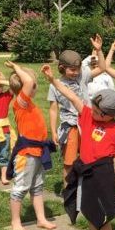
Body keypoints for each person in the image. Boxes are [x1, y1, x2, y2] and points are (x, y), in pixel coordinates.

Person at [42, 62, 115, 230]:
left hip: (103, 172)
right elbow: (71, 96)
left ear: (111, 115)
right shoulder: (88, 115)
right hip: (85, 170)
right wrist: (53, 80)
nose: (95, 114)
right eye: (96, 109)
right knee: (88, 211)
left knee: (104, 216)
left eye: (100, 113)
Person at [6, 60, 58, 230]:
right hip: (26, 154)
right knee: (20, 188)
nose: (34, 86)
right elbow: (27, 82)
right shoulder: (21, 103)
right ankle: (15, 222)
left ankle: (41, 219)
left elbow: (26, 82)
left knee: (37, 187)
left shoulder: (28, 103)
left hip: (38, 152)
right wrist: (17, 68)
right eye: (33, 84)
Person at [47, 49, 84, 184]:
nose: (76, 73)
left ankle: (83, 187)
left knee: (87, 158)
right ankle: (68, 189)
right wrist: (53, 131)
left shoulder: (80, 78)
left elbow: (98, 67)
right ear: (62, 68)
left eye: (78, 69)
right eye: (72, 70)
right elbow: (53, 109)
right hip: (70, 127)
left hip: (85, 124)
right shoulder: (54, 85)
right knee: (69, 162)